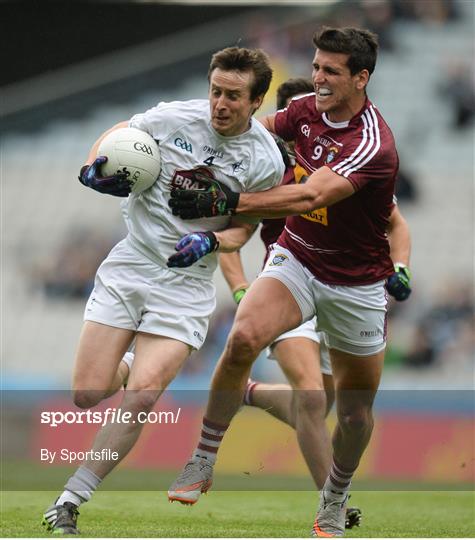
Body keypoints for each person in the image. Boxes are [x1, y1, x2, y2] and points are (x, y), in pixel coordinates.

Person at [168, 27, 404, 537]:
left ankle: (335, 497)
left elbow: (308, 198)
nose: (317, 78)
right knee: (242, 339)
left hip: (355, 285)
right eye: (316, 66)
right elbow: (254, 130)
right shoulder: (303, 111)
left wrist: (226, 200)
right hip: (296, 258)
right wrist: (186, 147)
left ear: (362, 78)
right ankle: (203, 460)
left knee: (356, 414)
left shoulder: (372, 144)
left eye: (331, 71)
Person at [41, 46, 285, 535]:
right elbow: (118, 134)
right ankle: (129, 364)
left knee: (144, 395)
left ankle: (70, 499)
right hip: (131, 264)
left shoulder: (264, 161)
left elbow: (244, 229)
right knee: (88, 393)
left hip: (187, 284)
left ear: (256, 100)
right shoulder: (174, 116)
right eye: (216, 90)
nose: (220, 103)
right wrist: (95, 164)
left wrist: (209, 241)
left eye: (234, 96)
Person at [219, 76, 411, 531]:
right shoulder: (264, 169)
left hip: (343, 291)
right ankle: (333, 507)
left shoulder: (346, 164)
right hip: (286, 287)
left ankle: (250, 393)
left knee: (323, 404)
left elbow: (395, 224)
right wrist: (242, 289)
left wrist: (400, 267)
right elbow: (229, 234)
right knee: (310, 394)